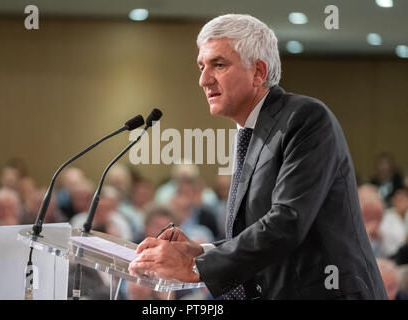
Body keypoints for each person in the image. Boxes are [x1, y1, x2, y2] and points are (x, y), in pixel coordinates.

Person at [129, 14, 387, 300]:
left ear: (258, 72)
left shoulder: (305, 118)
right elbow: (257, 231)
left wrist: (196, 266)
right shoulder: (250, 132)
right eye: (202, 66)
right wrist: (203, 251)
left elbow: (288, 221)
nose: (203, 79)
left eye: (219, 64)